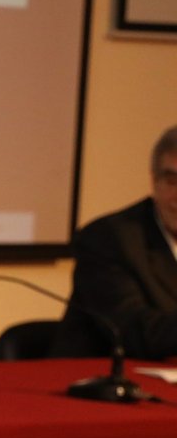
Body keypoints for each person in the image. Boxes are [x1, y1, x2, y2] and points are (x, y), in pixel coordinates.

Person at [55, 124, 177, 360]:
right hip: (97, 384)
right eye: (172, 182)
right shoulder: (109, 238)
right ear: (154, 182)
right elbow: (133, 332)